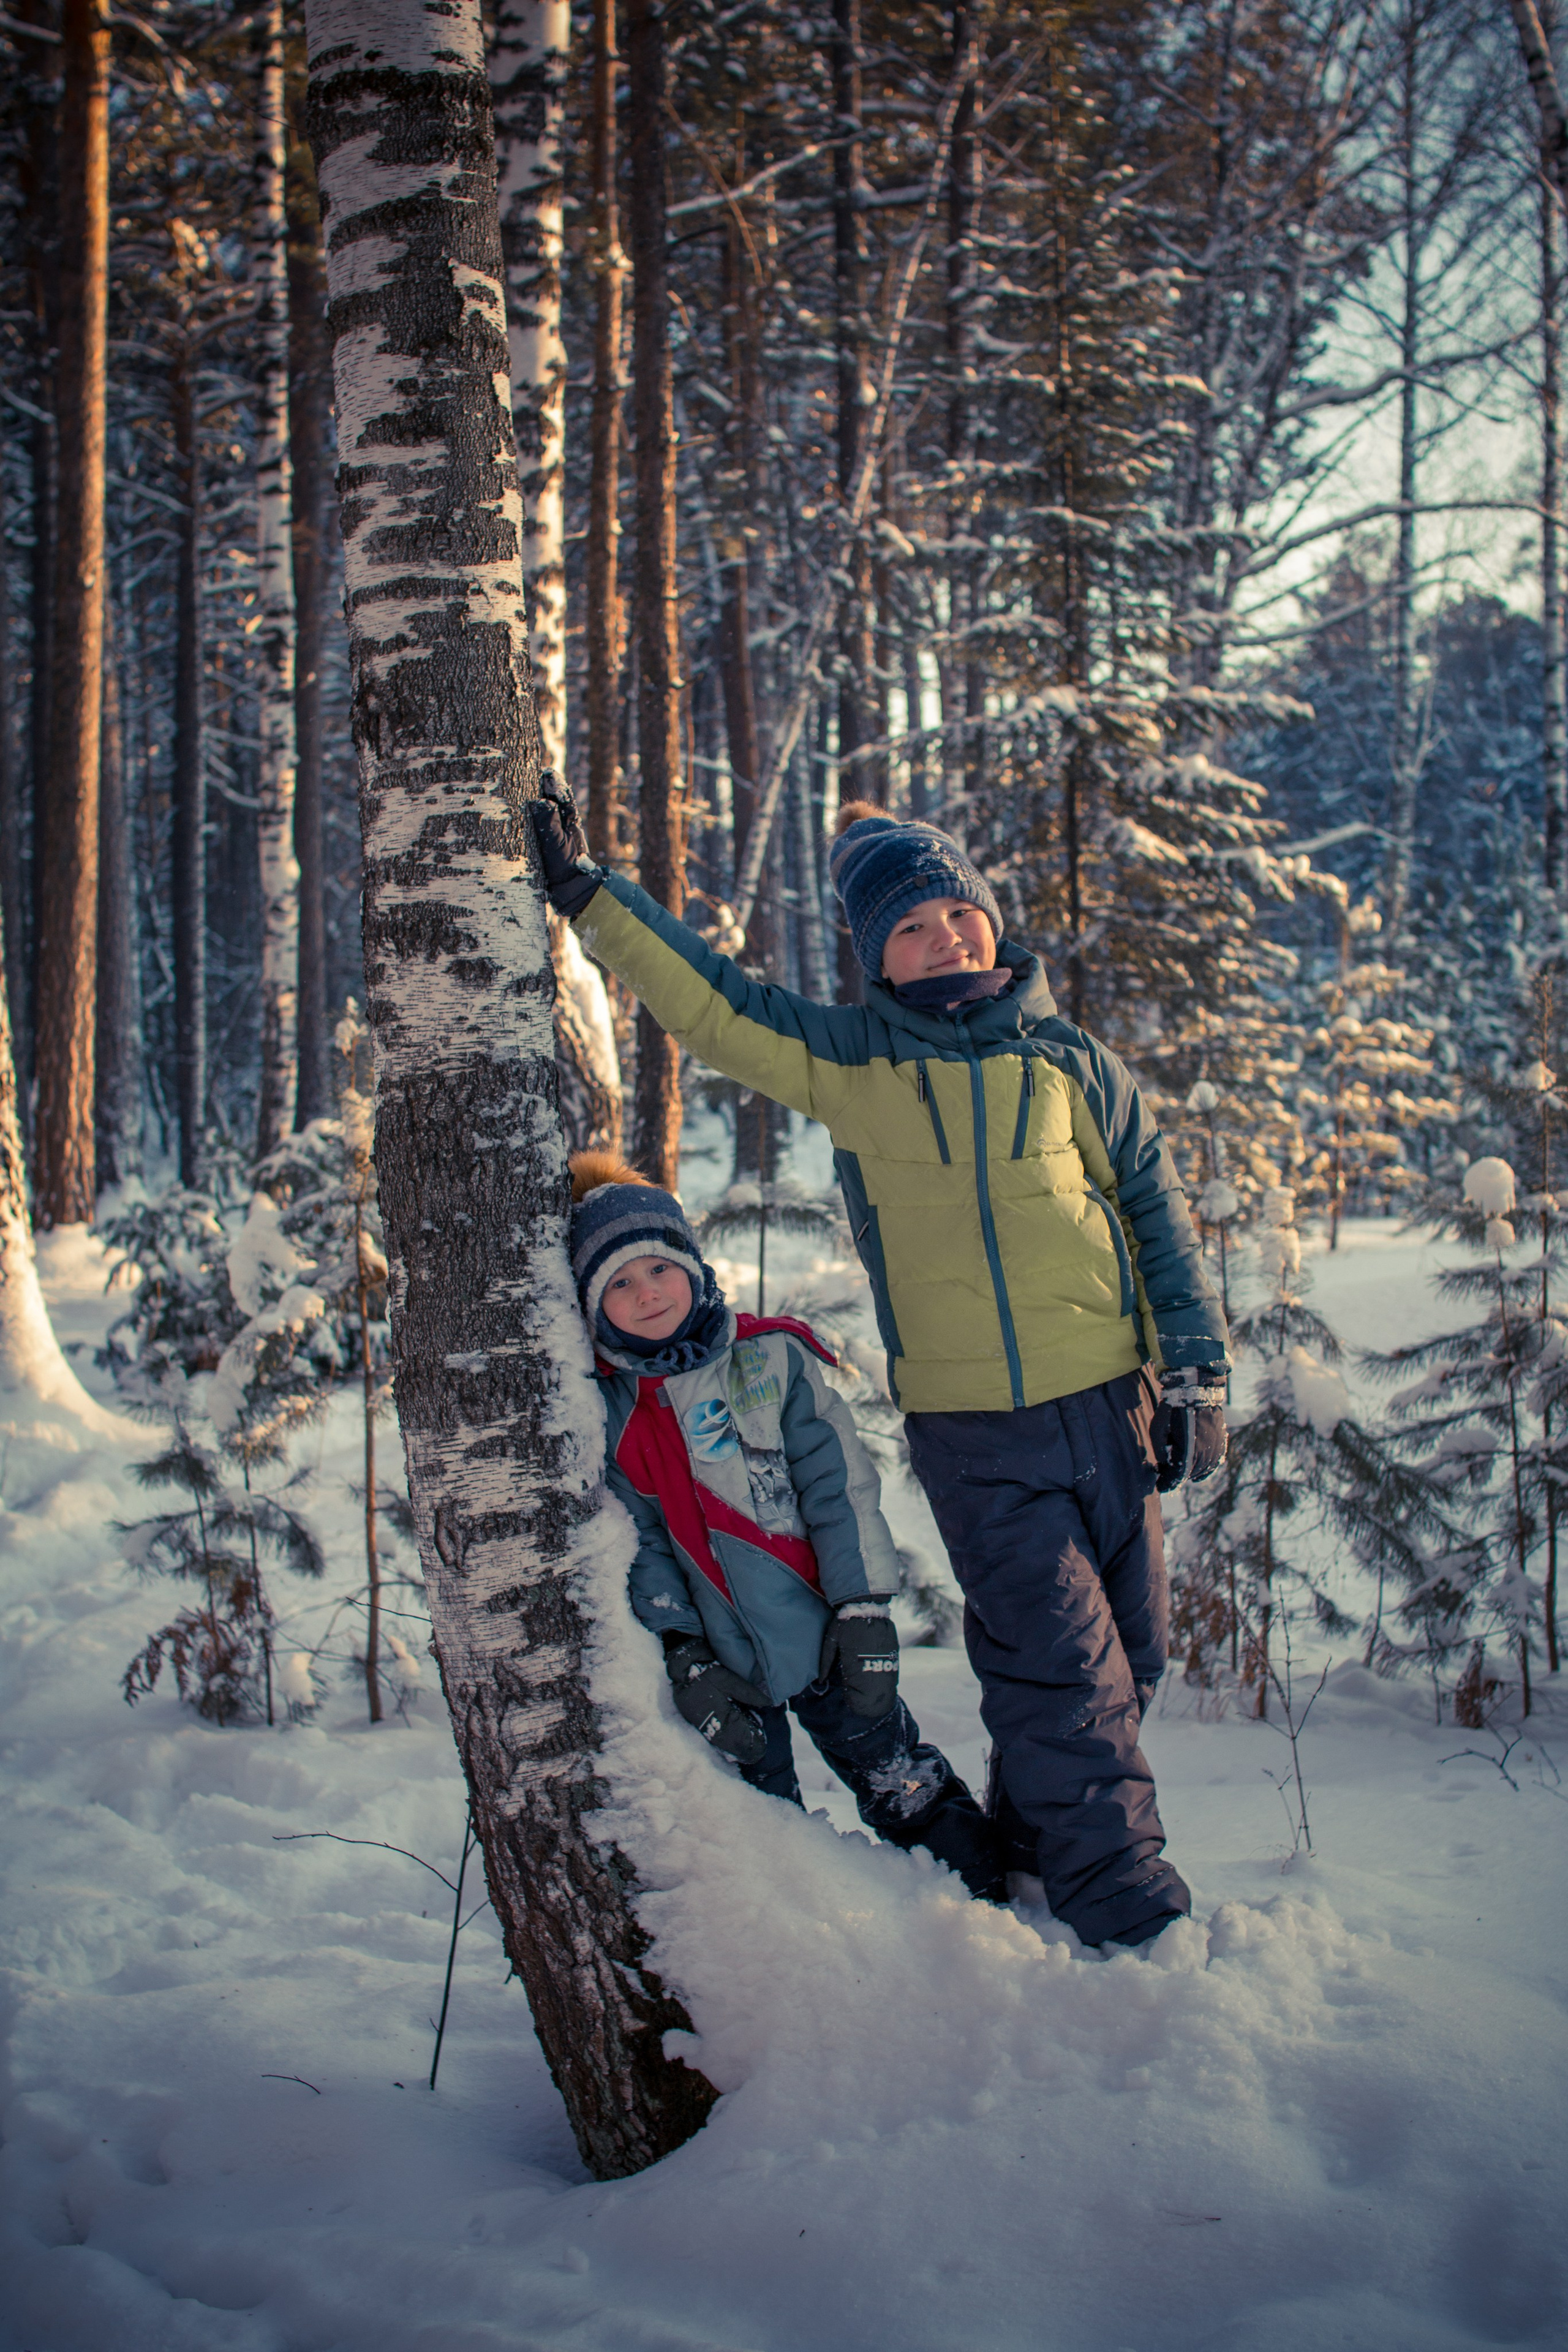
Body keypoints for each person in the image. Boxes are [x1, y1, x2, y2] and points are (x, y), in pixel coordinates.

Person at [532, 780, 1229, 1951]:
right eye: (912, 927)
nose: (946, 937)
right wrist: (591, 900)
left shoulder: (1072, 1063)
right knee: (1065, 1674)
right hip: (980, 1434)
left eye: (958, 912)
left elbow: (1151, 1212)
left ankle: (1037, 1854)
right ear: (879, 961)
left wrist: (1196, 1373)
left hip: (1114, 1405)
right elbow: (714, 1007)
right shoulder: (854, 1066)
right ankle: (1130, 1912)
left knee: (1130, 1657)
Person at [570, 1150, 1002, 1901]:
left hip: (825, 1634)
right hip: (723, 1667)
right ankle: (812, 1954)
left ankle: (990, 1900)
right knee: (757, 1822)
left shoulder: (769, 1360)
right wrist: (683, 1652)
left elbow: (840, 1488)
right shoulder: (608, 1413)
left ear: (694, 1267)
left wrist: (863, 1608)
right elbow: (636, 1541)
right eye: (619, 1284)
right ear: (590, 1307)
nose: (646, 1295)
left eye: (658, 1269)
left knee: (897, 1776)